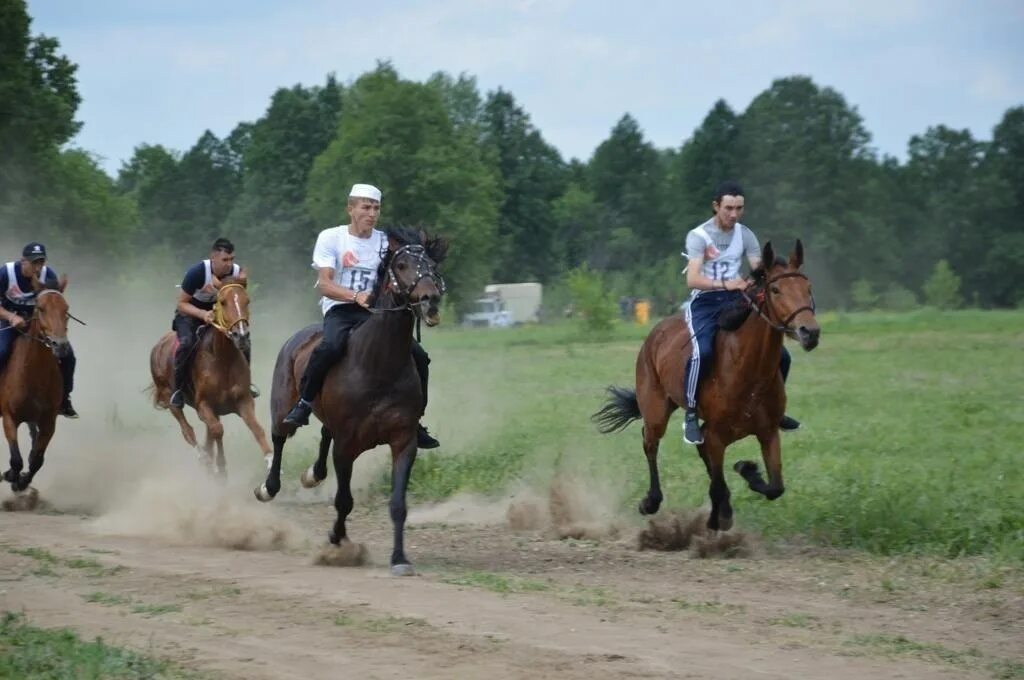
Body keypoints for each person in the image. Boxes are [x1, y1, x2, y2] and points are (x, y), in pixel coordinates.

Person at [283, 183, 440, 449]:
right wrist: (355, 297)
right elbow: (324, 284)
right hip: (341, 310)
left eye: (376, 208)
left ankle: (415, 421)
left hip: (377, 314)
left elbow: (408, 265)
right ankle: (305, 403)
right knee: (329, 347)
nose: (372, 213)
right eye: (366, 207)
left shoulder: (384, 242)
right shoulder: (331, 238)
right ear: (351, 209)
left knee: (419, 357)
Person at [681, 181, 801, 445]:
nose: (734, 214)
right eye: (728, 208)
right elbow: (692, 279)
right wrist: (728, 283)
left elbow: (759, 269)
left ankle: (774, 409)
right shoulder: (699, 236)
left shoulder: (745, 235)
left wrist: (769, 281)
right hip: (704, 302)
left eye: (739, 208)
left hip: (736, 300)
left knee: (782, 356)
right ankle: (690, 413)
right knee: (704, 351)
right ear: (716, 206)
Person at [169, 237, 258, 409]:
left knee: (244, 339)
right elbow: (181, 304)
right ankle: (178, 390)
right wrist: (202, 314)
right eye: (225, 260)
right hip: (190, 314)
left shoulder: (235, 272)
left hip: (217, 313)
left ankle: (247, 384)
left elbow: (236, 298)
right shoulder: (197, 273)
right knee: (187, 344)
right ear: (213, 258)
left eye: (231, 259)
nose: (229, 264)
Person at [0, 242, 78, 418]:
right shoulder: (6, 273)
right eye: (33, 263)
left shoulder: (48, 274)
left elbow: (52, 303)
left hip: (38, 323)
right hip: (8, 322)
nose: (38, 267)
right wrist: (12, 317)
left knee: (68, 356)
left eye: (41, 263)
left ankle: (64, 399)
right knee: (1, 351)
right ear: (23, 262)